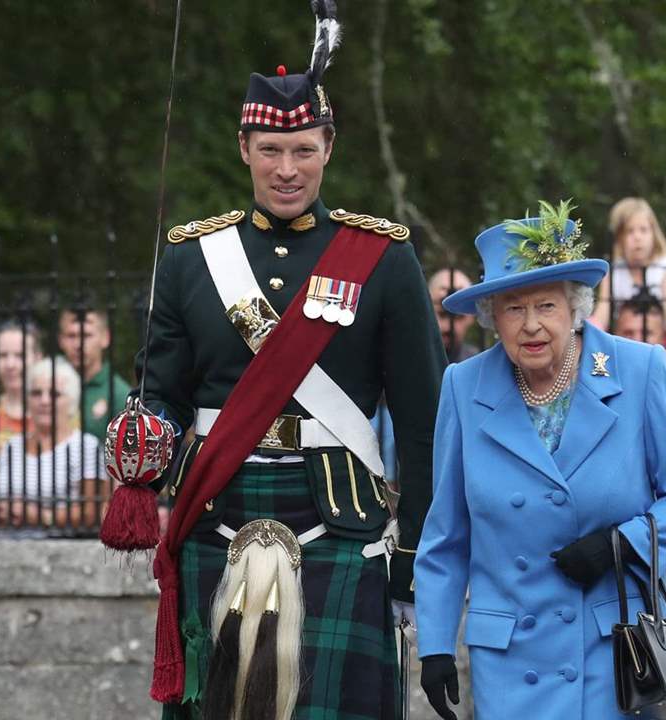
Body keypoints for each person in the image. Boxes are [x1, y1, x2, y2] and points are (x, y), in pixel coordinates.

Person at [129, 14, 447, 718]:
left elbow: (425, 422)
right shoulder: (191, 258)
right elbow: (163, 394)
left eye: (304, 150)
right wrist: (144, 435)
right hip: (216, 508)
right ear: (244, 148)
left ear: (329, 147)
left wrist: (414, 555)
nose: (286, 170)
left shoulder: (383, 259)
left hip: (342, 521)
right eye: (270, 149)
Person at [414, 200, 666, 720]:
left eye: (546, 306)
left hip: (612, 654)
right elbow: (446, 534)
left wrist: (622, 544)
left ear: (575, 307)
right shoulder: (464, 386)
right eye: (513, 308)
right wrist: (436, 644)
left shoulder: (638, 370)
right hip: (510, 659)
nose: (531, 325)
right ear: (491, 317)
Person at [0, 356, 103, 534]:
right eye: (36, 393)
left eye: (54, 394)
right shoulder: (12, 446)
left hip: (56, 547)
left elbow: (91, 513)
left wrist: (38, 516)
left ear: (72, 401)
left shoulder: (86, 447)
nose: (44, 401)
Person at [590, 196, 666, 339]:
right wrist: (588, 336)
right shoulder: (613, 271)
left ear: (654, 234)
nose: (637, 237)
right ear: (619, 238)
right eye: (630, 231)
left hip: (664, 340)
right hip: (626, 339)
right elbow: (603, 313)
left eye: (643, 230)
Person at [58, 308, 132, 440]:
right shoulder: (47, 387)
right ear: (60, 340)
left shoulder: (120, 394)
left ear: (105, 338)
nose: (78, 344)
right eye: (71, 336)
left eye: (86, 335)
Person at [0, 319, 45, 467]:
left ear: (38, 358)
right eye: (3, 355)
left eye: (19, 356)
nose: (10, 364)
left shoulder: (60, 414)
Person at [428, 268, 482, 362]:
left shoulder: (479, 364)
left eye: (459, 317)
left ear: (471, 318)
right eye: (441, 314)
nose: (447, 327)